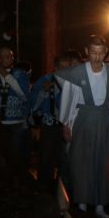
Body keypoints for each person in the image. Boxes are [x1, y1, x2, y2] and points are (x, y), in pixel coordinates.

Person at [57, 35, 109, 218]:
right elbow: (69, 98)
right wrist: (66, 123)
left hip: (104, 120)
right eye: (93, 52)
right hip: (83, 119)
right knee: (82, 160)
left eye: (100, 53)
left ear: (105, 53)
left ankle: (101, 204)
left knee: (105, 162)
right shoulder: (76, 74)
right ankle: (82, 202)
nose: (97, 57)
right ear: (87, 52)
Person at [29, 52, 73, 193]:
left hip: (67, 126)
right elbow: (34, 106)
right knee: (46, 157)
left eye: (68, 67)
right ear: (55, 67)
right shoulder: (44, 81)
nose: (64, 70)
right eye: (61, 67)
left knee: (64, 159)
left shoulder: (73, 83)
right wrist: (43, 92)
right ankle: (43, 188)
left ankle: (63, 189)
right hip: (49, 125)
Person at [0, 46, 31, 183]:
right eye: (3, 57)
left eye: (9, 56)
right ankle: (3, 179)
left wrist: (6, 75)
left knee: (16, 154)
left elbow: (24, 94)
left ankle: (16, 180)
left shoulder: (20, 73)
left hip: (16, 122)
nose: (7, 59)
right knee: (1, 153)